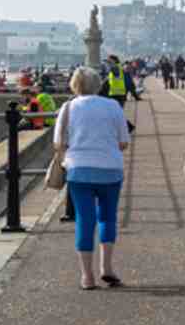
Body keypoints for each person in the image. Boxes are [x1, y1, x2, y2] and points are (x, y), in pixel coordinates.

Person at [52, 68, 130, 290]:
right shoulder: (113, 106)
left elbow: (58, 143)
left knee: (85, 221)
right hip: (110, 169)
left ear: (75, 86)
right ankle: (107, 268)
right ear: (98, 85)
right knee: (107, 218)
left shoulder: (68, 108)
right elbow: (124, 142)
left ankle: (87, 276)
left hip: (79, 170)